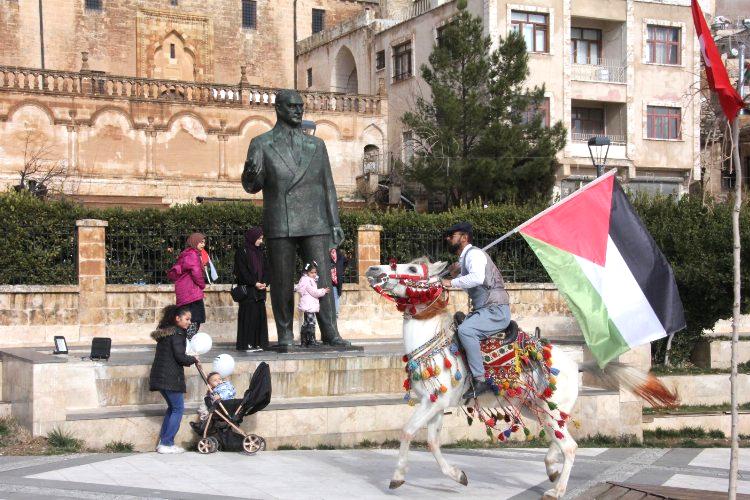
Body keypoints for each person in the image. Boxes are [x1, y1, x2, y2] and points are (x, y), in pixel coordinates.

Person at [242, 89, 349, 347]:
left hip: (315, 221)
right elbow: (252, 186)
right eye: (292, 106)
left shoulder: (316, 145)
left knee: (322, 277)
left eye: (301, 107)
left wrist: (334, 223)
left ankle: (330, 331)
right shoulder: (261, 143)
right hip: (281, 220)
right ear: (278, 109)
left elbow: (328, 187)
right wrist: (250, 172)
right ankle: (285, 334)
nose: (298, 111)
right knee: (280, 281)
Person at [440, 222, 511, 400]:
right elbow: (474, 286)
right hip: (485, 311)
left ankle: (480, 379)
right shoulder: (466, 259)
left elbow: (478, 278)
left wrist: (451, 281)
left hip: (495, 311)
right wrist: (457, 275)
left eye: (452, 235)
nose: (448, 238)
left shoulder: (475, 255)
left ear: (464, 238)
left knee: (466, 330)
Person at [149, 304, 200, 454]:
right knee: (178, 409)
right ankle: (167, 443)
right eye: (187, 319)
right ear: (177, 318)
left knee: (172, 409)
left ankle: (163, 443)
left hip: (160, 376)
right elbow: (180, 356)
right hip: (170, 377)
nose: (189, 322)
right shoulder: (177, 334)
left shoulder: (166, 334)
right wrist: (194, 359)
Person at [234, 227, 270, 352]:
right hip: (248, 292)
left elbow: (266, 268)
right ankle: (247, 343)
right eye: (259, 238)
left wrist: (265, 282)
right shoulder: (242, 251)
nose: (261, 241)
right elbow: (241, 271)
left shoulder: (260, 251)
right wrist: (254, 283)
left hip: (260, 292)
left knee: (259, 317)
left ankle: (258, 343)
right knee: (249, 317)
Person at [167, 233, 206, 335]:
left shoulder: (187, 253)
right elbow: (196, 272)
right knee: (193, 320)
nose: (203, 244)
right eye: (200, 242)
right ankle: (188, 343)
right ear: (194, 242)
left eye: (204, 242)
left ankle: (183, 342)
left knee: (184, 320)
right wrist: (202, 285)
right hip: (191, 293)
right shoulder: (193, 254)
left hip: (185, 292)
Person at [294, 261, 329, 347]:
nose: (314, 274)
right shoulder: (307, 281)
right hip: (309, 305)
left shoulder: (308, 279)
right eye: (312, 272)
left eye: (315, 272)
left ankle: (304, 341)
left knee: (306, 323)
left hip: (308, 305)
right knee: (311, 323)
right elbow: (314, 292)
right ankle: (311, 341)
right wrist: (324, 290)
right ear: (307, 272)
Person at [329, 247, 347, 316]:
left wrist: (342, 270)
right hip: (331, 282)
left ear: (336, 252)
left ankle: (336, 313)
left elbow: (346, 262)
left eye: (333, 252)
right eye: (331, 253)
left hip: (338, 281)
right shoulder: (329, 260)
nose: (332, 254)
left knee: (337, 296)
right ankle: (335, 313)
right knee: (334, 296)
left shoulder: (340, 258)